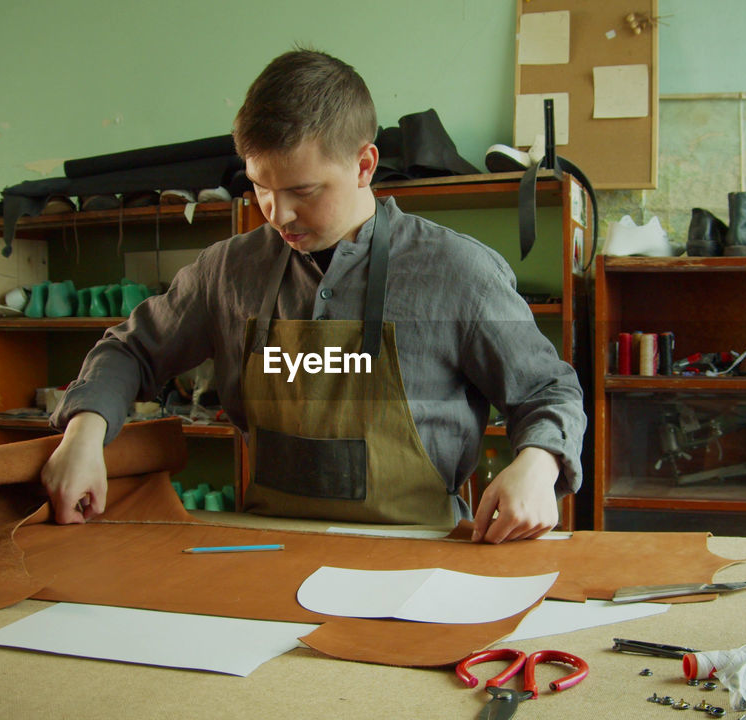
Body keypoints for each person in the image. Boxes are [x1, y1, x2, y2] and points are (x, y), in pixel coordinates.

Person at [41, 48, 585, 543]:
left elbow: (548, 390)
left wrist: (538, 463)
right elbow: (130, 350)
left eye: (302, 191)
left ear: (363, 165)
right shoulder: (229, 271)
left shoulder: (458, 272)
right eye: (259, 187)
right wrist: (84, 434)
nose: (277, 213)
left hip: (419, 557)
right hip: (267, 549)